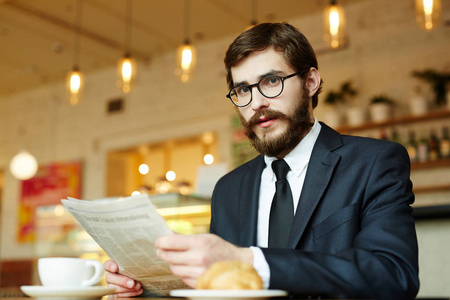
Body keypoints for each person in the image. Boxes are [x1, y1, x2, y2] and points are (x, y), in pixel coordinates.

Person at [104, 22, 419, 299]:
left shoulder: (374, 162)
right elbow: (219, 289)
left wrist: (248, 262)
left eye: (271, 81)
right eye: (242, 89)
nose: (256, 103)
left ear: (310, 82)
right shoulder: (228, 189)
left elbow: (393, 276)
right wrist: (149, 292)